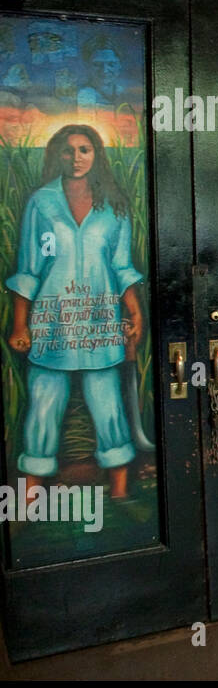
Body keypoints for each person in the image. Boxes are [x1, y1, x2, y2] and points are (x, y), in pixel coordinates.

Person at [5, 125, 144, 501]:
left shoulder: (113, 205)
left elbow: (122, 266)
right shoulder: (41, 203)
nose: (76, 158)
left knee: (107, 401)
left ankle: (119, 488)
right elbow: (28, 269)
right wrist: (20, 323)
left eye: (85, 150)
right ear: (57, 155)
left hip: (99, 321)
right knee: (43, 402)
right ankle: (32, 492)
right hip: (52, 322)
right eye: (68, 151)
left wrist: (134, 312)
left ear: (96, 154)